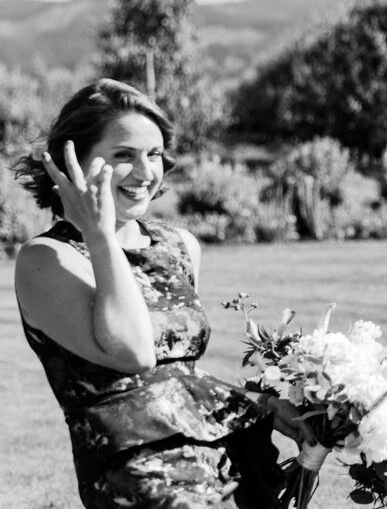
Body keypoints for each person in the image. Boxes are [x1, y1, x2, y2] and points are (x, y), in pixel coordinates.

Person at [12, 79, 309, 508]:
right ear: (74, 162)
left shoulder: (179, 246)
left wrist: (264, 404)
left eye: (153, 154)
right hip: (141, 483)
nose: (146, 171)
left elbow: (176, 377)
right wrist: (99, 234)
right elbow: (133, 354)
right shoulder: (47, 260)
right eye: (123, 156)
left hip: (224, 465)